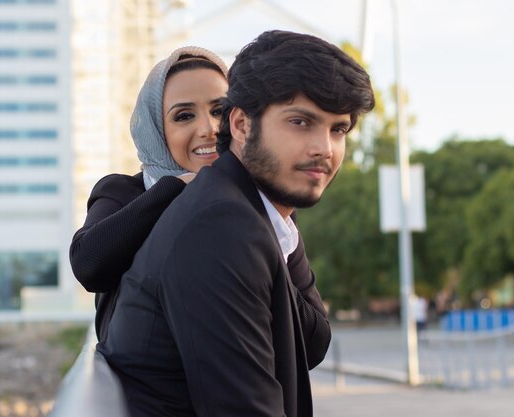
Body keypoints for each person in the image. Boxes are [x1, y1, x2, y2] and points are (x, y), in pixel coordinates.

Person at [99, 30, 375, 417]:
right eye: (301, 122)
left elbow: (311, 342)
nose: (324, 149)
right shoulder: (218, 229)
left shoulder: (248, 214)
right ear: (242, 125)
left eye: (338, 129)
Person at [69, 46, 331, 368]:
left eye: (219, 111)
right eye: (184, 116)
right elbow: (89, 264)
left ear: (241, 121)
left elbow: (314, 345)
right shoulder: (126, 193)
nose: (208, 128)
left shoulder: (266, 209)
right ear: (157, 129)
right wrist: (179, 187)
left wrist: (262, 236)